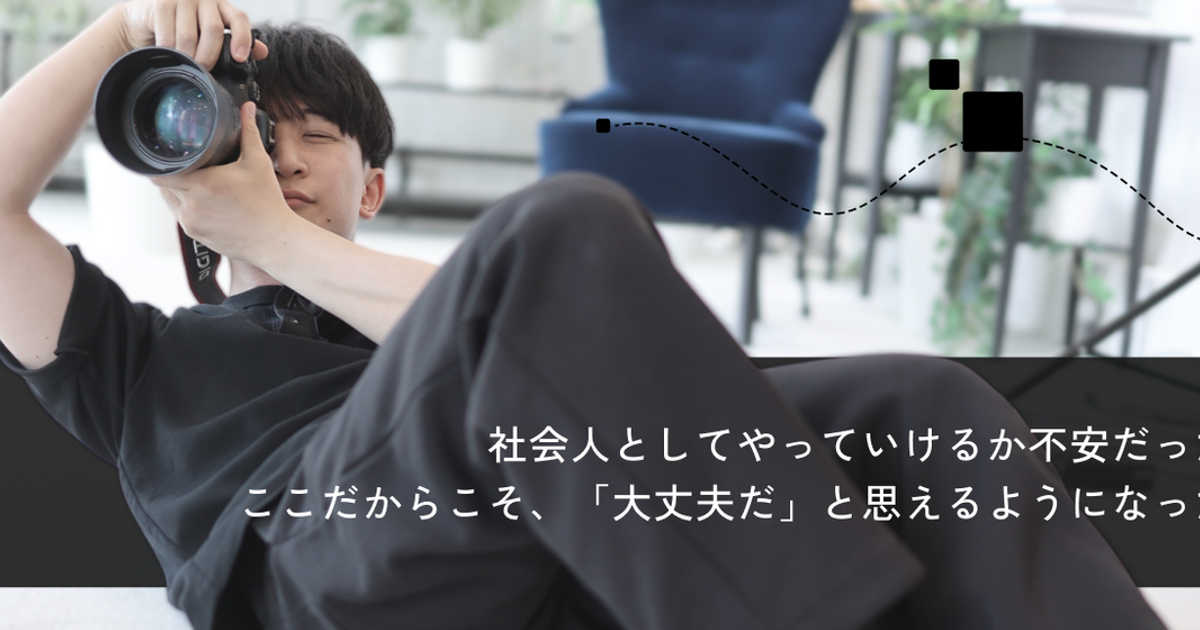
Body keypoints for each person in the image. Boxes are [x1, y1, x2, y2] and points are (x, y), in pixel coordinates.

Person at [0, 1, 1170, 629]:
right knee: (560, 224)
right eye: (259, 134)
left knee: (916, 399)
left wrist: (277, 236)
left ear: (375, 188)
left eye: (317, 136)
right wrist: (123, 30)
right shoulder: (135, 358)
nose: (286, 158)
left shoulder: (444, 309)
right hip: (326, 570)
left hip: (543, 550)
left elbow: (568, 362)